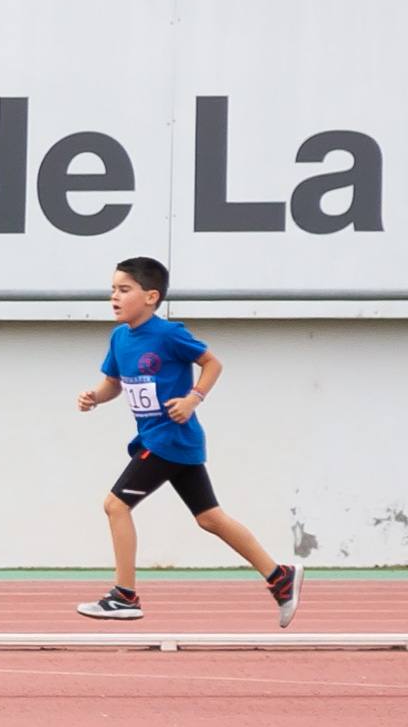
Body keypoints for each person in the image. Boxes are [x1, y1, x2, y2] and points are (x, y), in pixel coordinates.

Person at [71, 256, 297, 628]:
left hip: (169, 439)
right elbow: (113, 382)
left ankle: (124, 596)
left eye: (124, 290)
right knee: (210, 518)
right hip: (166, 441)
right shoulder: (119, 337)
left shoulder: (169, 334)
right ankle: (279, 578)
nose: (114, 296)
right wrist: (94, 396)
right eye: (112, 289)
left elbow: (212, 364)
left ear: (150, 296)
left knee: (115, 505)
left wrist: (194, 398)